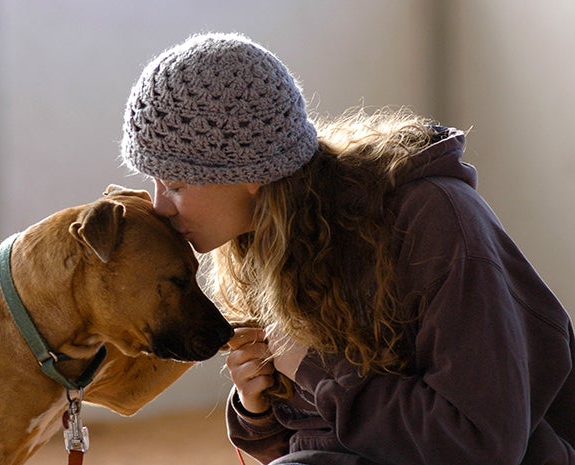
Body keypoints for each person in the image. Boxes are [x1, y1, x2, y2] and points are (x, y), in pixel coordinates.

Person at [119, 32, 575, 465]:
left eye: (176, 185)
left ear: (251, 173)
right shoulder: (265, 238)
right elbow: (320, 442)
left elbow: (480, 444)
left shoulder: (433, 219)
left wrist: (317, 372)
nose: (160, 207)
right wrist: (256, 411)